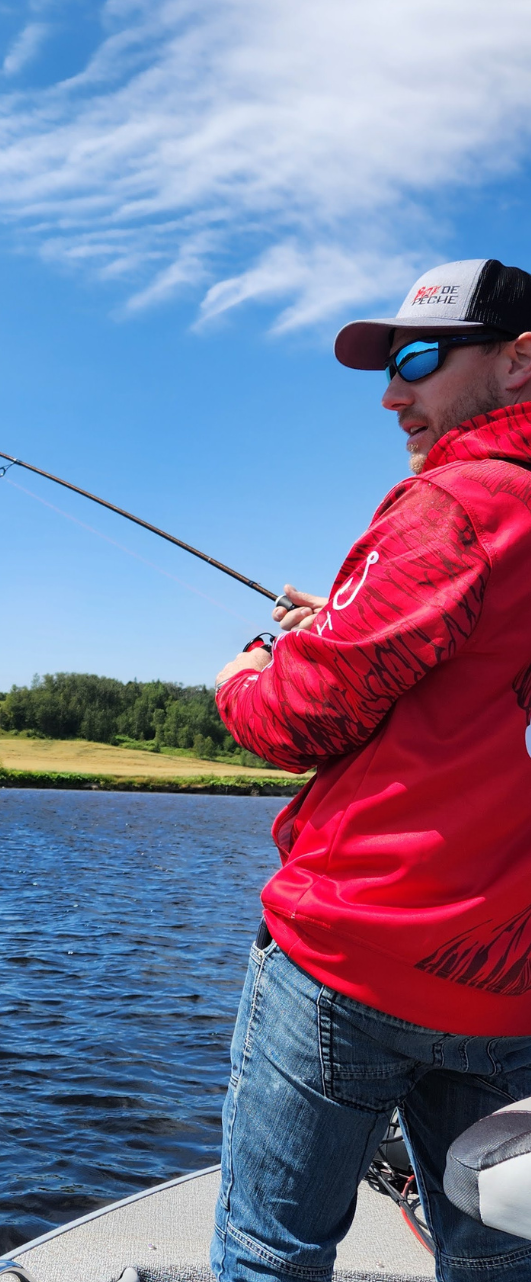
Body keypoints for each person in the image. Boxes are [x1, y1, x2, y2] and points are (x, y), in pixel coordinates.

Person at [209, 259, 531, 1282]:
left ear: (521, 360)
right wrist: (343, 624)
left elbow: (294, 718)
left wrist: (245, 670)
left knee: (274, 1248)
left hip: (355, 960)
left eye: (422, 360)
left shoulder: (454, 505)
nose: (393, 393)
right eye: (389, 367)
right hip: (508, 988)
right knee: (494, 1265)